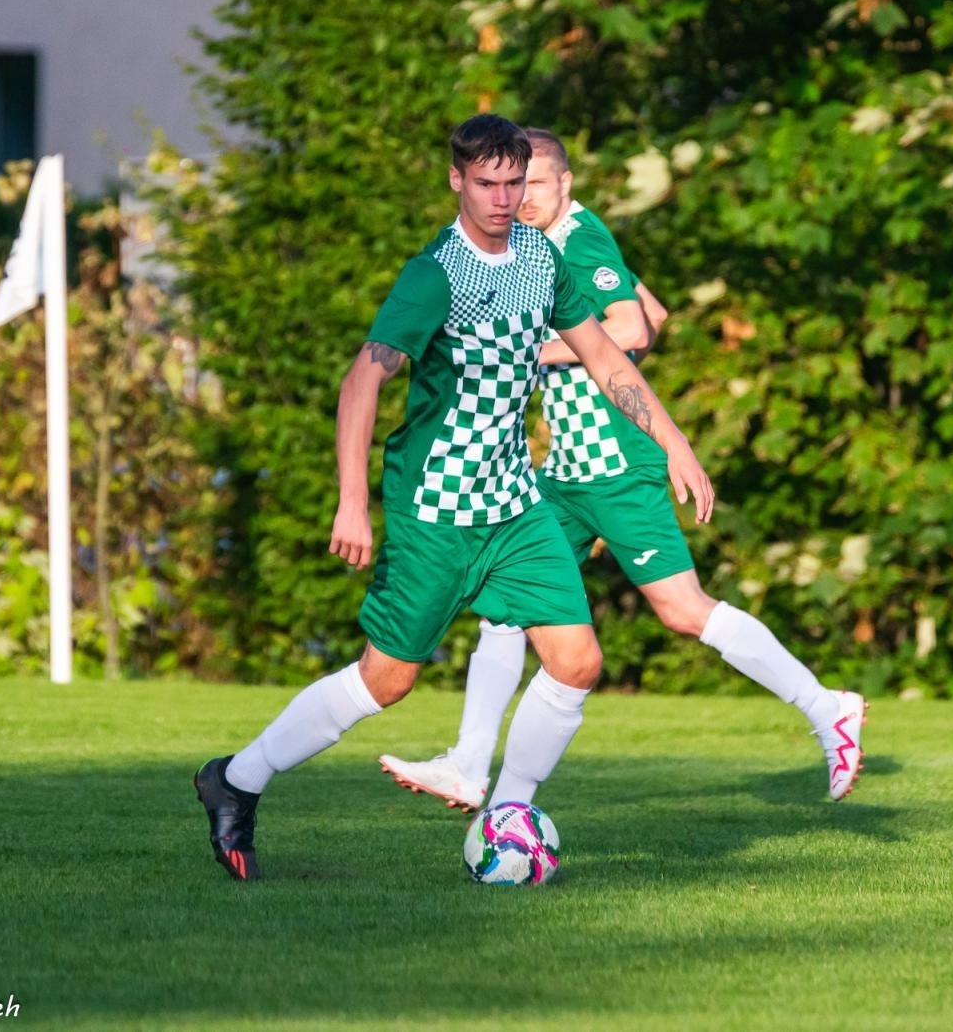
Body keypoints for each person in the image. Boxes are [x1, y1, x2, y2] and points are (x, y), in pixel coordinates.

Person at [192, 114, 714, 882]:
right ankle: (235, 779)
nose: (504, 198)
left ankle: (509, 814)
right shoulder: (434, 274)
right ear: (457, 181)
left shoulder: (540, 257)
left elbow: (606, 356)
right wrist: (351, 500)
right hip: (436, 508)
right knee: (387, 680)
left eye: (514, 182)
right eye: (487, 184)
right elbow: (362, 378)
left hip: (515, 505)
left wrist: (674, 442)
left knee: (576, 661)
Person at [378, 129, 866, 810]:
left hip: (613, 464)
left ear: (565, 185)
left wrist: (517, 350)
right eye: (516, 187)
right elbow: (656, 312)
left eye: (536, 186)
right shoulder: (538, 249)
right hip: (564, 471)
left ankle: (827, 707)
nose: (520, 202)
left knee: (682, 610)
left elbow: (631, 329)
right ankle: (468, 765)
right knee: (505, 609)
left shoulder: (579, 236)